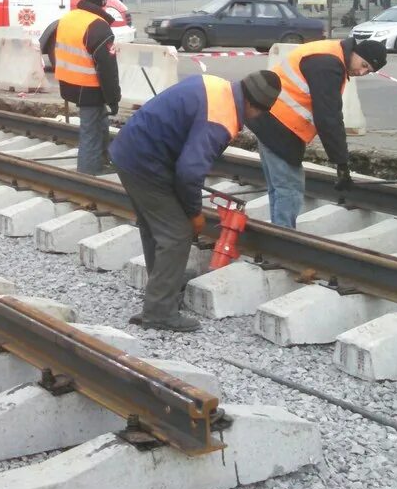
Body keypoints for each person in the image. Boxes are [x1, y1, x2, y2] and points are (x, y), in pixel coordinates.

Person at [110, 70, 282, 332]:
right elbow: (189, 172)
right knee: (177, 233)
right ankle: (159, 313)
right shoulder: (222, 117)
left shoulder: (217, 85)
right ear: (253, 106)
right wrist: (194, 213)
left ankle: (166, 288)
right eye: (260, 113)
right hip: (144, 161)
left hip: (132, 150)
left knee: (156, 226)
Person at [248, 37, 388, 228]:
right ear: (356, 52)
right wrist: (341, 163)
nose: (361, 72)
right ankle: (284, 240)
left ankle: (278, 233)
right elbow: (328, 117)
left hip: (269, 120)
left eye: (367, 71)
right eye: (363, 64)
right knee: (290, 189)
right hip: (279, 126)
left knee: (279, 188)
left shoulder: (332, 53)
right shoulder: (329, 65)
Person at [39, 0, 120, 175]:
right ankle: (87, 173)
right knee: (90, 132)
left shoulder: (68, 18)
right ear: (103, 3)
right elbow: (107, 70)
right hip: (88, 87)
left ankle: (101, 161)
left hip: (69, 84)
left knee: (100, 123)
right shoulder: (99, 27)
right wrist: (114, 99)